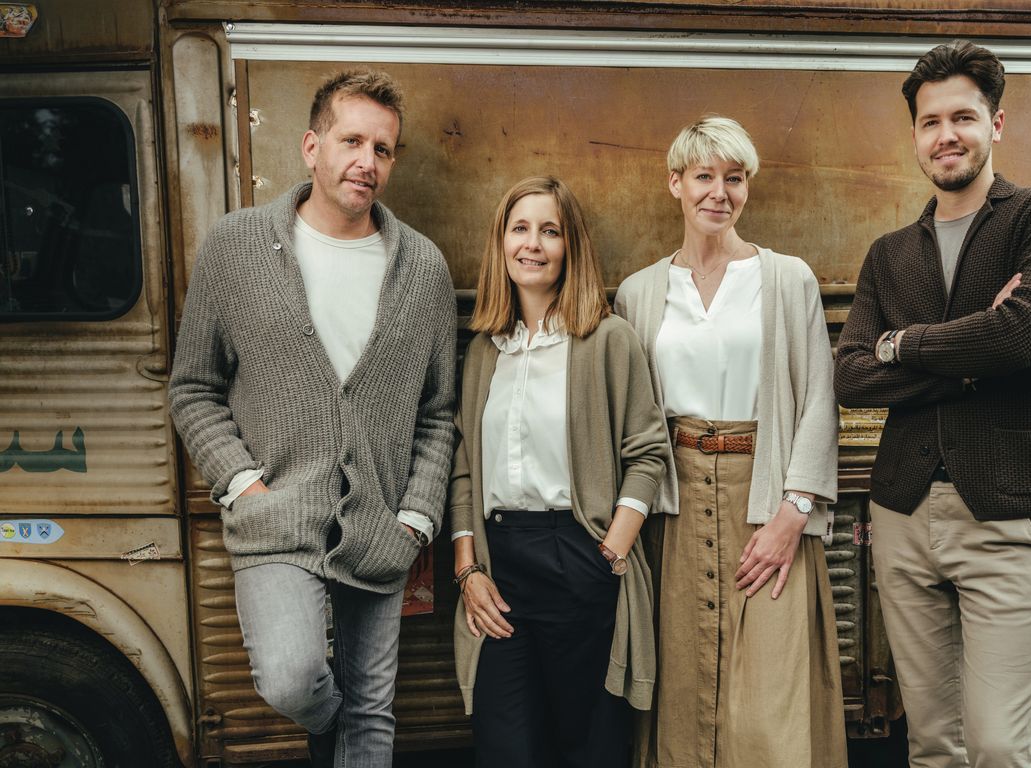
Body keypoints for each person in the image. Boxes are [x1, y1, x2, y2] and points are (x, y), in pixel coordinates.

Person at [168, 70, 456, 768]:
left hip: (381, 526)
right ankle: (334, 724)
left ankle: (353, 732)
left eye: (383, 149)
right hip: (275, 518)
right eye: (351, 140)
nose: (367, 161)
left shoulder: (422, 267)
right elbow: (193, 389)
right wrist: (245, 486)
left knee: (376, 712)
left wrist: (416, 517)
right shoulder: (235, 246)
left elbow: (437, 413)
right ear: (310, 146)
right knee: (292, 679)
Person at [834, 40, 1031, 768]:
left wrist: (899, 345)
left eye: (963, 118)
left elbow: (1017, 338)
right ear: (915, 135)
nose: (946, 135)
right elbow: (850, 377)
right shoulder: (888, 253)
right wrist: (970, 359)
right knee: (933, 746)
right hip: (901, 513)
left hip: (1004, 515)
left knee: (999, 746)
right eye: (930, 122)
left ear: (995, 124)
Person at [615, 116, 846, 768]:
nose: (719, 193)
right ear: (675, 184)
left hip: (765, 495)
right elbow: (631, 416)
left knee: (771, 702)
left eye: (734, 178)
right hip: (674, 506)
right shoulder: (638, 293)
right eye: (704, 176)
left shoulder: (787, 279)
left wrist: (792, 513)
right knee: (681, 690)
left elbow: (818, 399)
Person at [450, 176, 669, 768]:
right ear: (501, 243)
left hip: (580, 555)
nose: (533, 244)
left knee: (588, 749)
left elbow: (648, 453)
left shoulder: (607, 340)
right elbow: (464, 468)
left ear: (571, 246)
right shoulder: (484, 351)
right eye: (520, 229)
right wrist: (467, 569)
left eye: (550, 231)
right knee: (507, 749)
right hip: (500, 568)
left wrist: (611, 553)